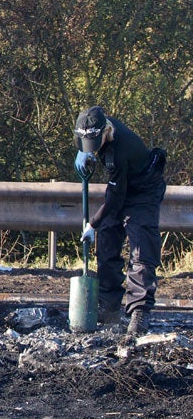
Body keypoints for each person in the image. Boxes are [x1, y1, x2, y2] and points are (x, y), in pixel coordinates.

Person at [74, 106, 166, 337]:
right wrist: (82, 151)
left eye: (94, 143)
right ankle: (109, 306)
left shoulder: (118, 151)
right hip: (121, 184)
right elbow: (92, 117)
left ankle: (139, 313)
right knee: (107, 242)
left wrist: (93, 223)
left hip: (143, 190)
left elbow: (115, 198)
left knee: (141, 248)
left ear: (106, 132)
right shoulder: (93, 122)